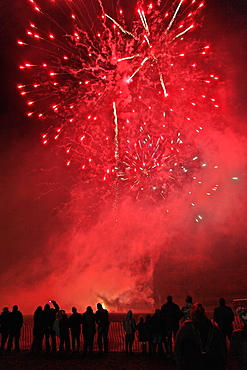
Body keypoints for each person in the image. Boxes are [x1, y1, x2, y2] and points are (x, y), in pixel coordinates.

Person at [175, 302, 227, 370]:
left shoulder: (185, 329)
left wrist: (180, 365)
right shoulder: (213, 328)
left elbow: (178, 349)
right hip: (211, 364)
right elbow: (222, 348)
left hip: (190, 364)